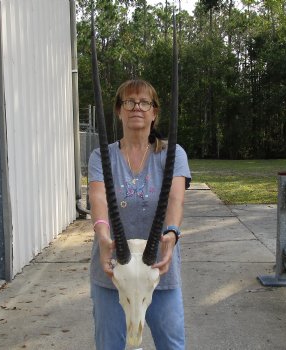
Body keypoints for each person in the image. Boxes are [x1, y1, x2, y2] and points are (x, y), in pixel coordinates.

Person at [88, 79, 191, 350]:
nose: (137, 107)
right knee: (109, 345)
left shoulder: (172, 154)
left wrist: (172, 232)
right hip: (113, 271)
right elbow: (98, 198)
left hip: (159, 270)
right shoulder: (101, 157)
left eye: (145, 102)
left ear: (154, 112)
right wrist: (102, 234)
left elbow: (175, 199)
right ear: (119, 110)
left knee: (172, 344)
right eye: (129, 102)